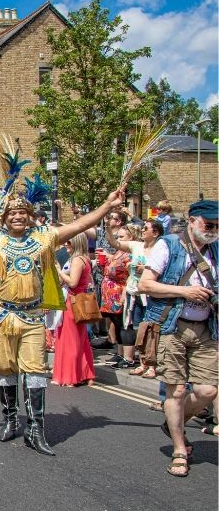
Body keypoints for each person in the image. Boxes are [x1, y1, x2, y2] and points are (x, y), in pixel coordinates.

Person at [0, 136, 126, 456]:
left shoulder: (44, 237)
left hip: (31, 317)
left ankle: (36, 428)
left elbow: (80, 224)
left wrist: (107, 206)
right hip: (1, 314)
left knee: (35, 371)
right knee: (5, 371)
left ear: (30, 216)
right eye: (12, 213)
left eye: (22, 212)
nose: (17, 216)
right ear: (4, 217)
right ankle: (10, 420)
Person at [138, 199, 218, 477]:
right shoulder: (169, 245)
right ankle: (179, 448)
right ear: (193, 221)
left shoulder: (216, 250)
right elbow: (145, 285)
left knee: (208, 390)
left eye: (218, 226)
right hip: (171, 325)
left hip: (206, 327)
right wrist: (185, 293)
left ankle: (175, 422)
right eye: (209, 225)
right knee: (177, 389)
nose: (213, 230)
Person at [107, 219, 163, 378]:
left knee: (152, 330)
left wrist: (145, 268)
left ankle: (152, 365)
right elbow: (114, 243)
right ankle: (143, 363)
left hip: (150, 295)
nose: (143, 230)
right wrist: (107, 226)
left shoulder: (160, 248)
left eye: (146, 228)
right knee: (137, 330)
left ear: (156, 233)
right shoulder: (136, 245)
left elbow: (163, 267)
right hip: (134, 292)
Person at [52, 233, 95, 387]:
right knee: (81, 339)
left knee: (69, 339)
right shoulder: (84, 259)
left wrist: (58, 270)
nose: (65, 245)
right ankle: (85, 373)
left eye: (68, 242)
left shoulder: (77, 260)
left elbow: (73, 282)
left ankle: (70, 376)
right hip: (80, 300)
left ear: (76, 243)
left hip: (74, 300)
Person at [99, 226, 133, 368]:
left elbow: (131, 276)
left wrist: (125, 293)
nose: (118, 240)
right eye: (117, 237)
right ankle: (120, 354)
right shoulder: (119, 252)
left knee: (125, 325)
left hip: (120, 293)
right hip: (110, 295)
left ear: (131, 238)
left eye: (122, 237)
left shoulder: (130, 254)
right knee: (117, 324)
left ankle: (128, 357)